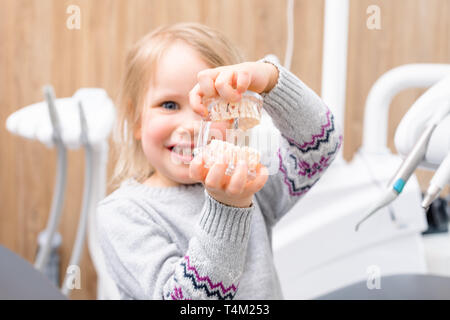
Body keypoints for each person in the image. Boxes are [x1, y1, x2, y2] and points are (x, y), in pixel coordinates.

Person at [96, 22, 342, 300]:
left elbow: (320, 147)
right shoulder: (124, 214)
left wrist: (271, 82)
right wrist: (228, 208)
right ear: (135, 119)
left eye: (211, 106)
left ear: (236, 117)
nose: (190, 125)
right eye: (169, 105)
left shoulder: (250, 179)